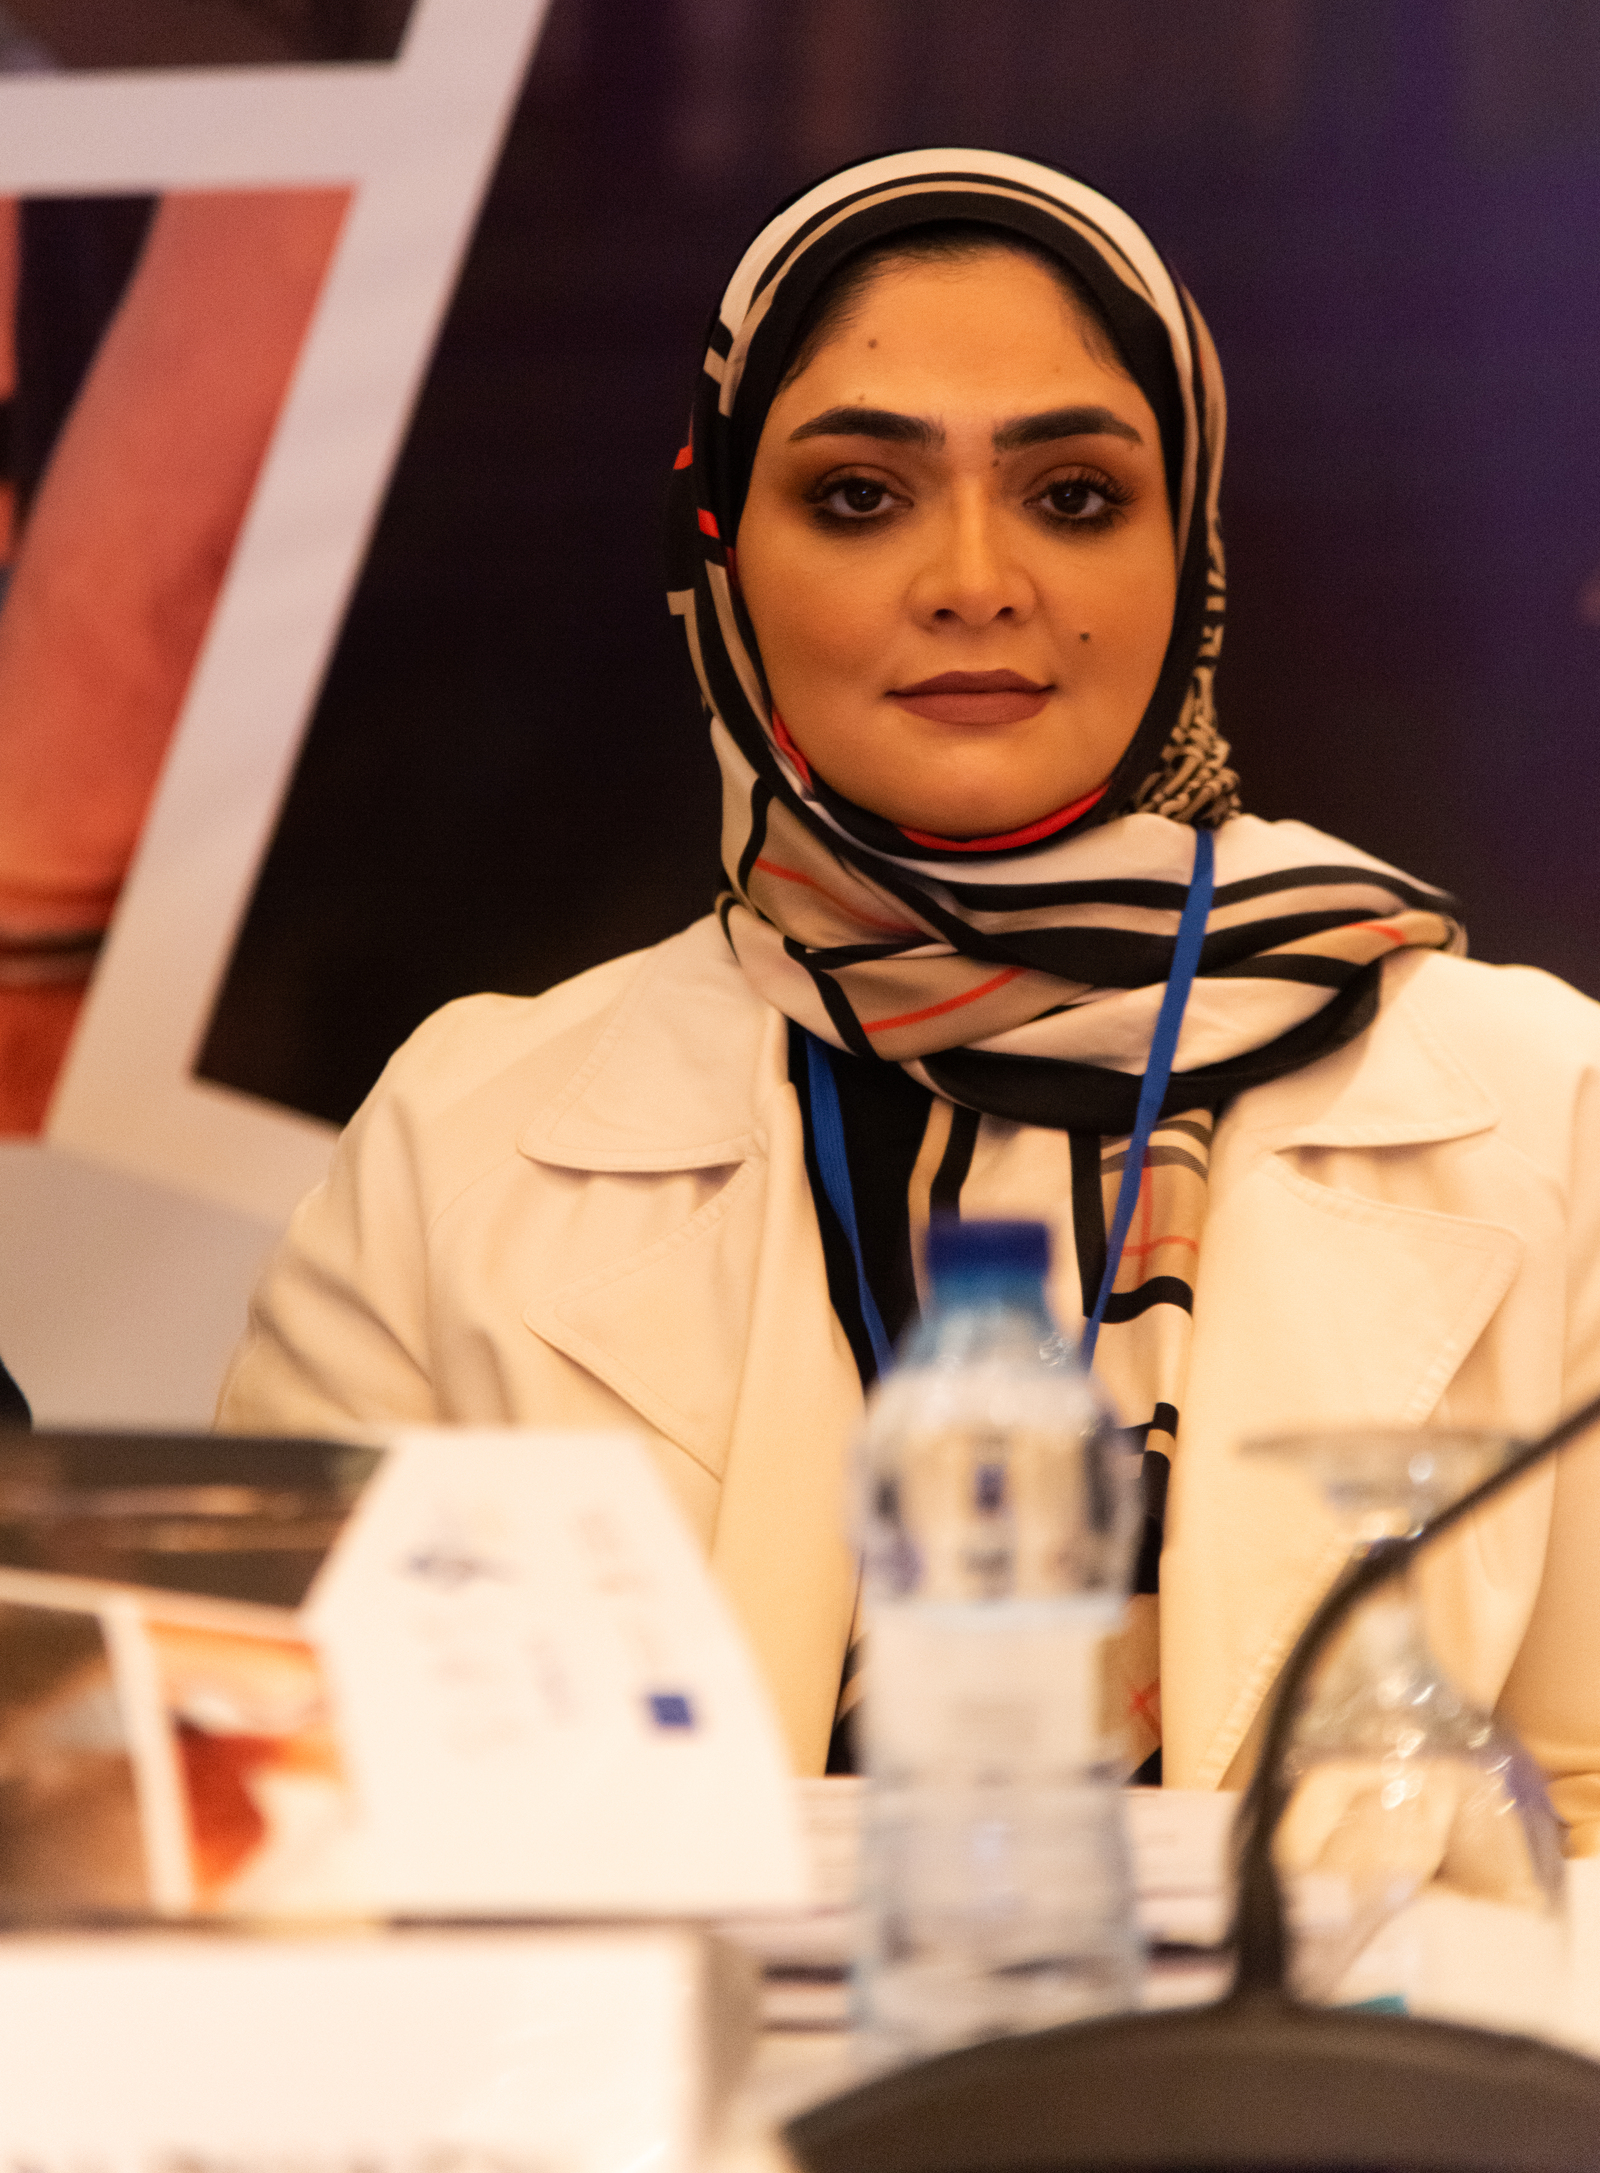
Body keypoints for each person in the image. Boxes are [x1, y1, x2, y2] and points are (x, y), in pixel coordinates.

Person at [218, 149, 1600, 1844]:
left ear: (1189, 556)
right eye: (860, 495)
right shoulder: (465, 1139)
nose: (973, 578)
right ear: (721, 559)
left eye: (1073, 495)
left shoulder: (1548, 1107)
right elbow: (289, 1819)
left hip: (1356, 2030)